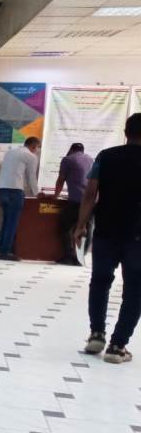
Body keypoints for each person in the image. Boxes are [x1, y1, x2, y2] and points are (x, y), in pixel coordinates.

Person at [75, 114, 141, 364]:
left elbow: (90, 192)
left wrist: (80, 225)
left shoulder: (106, 156)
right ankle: (117, 346)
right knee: (134, 290)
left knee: (100, 282)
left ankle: (97, 335)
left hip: (106, 231)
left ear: (126, 132)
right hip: (137, 236)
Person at [0, 137, 41, 261]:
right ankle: (5, 252)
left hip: (2, 189)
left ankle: (1, 248)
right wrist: (37, 193)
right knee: (12, 222)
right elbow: (31, 177)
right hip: (15, 190)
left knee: (6, 220)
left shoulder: (10, 152)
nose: (37, 150)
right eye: (38, 147)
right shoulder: (31, 156)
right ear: (34, 146)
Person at [54, 143, 94, 266]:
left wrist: (56, 196)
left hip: (75, 201)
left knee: (64, 226)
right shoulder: (90, 159)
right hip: (91, 200)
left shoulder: (67, 159)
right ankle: (80, 258)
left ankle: (69, 255)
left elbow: (61, 179)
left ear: (71, 149)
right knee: (88, 228)